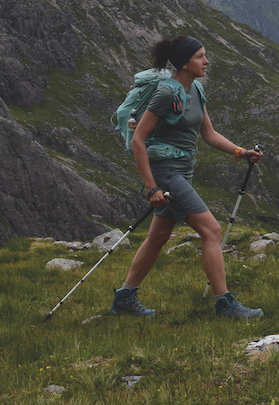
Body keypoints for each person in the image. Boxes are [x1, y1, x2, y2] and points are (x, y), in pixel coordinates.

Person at [111, 35, 265, 320]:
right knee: (212, 230)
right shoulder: (166, 93)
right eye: (200, 56)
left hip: (183, 171)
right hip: (166, 174)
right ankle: (225, 305)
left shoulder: (195, 89)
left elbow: (208, 134)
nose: (206, 61)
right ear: (184, 62)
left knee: (158, 237)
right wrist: (151, 187)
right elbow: (138, 141)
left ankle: (124, 298)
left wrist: (241, 152)